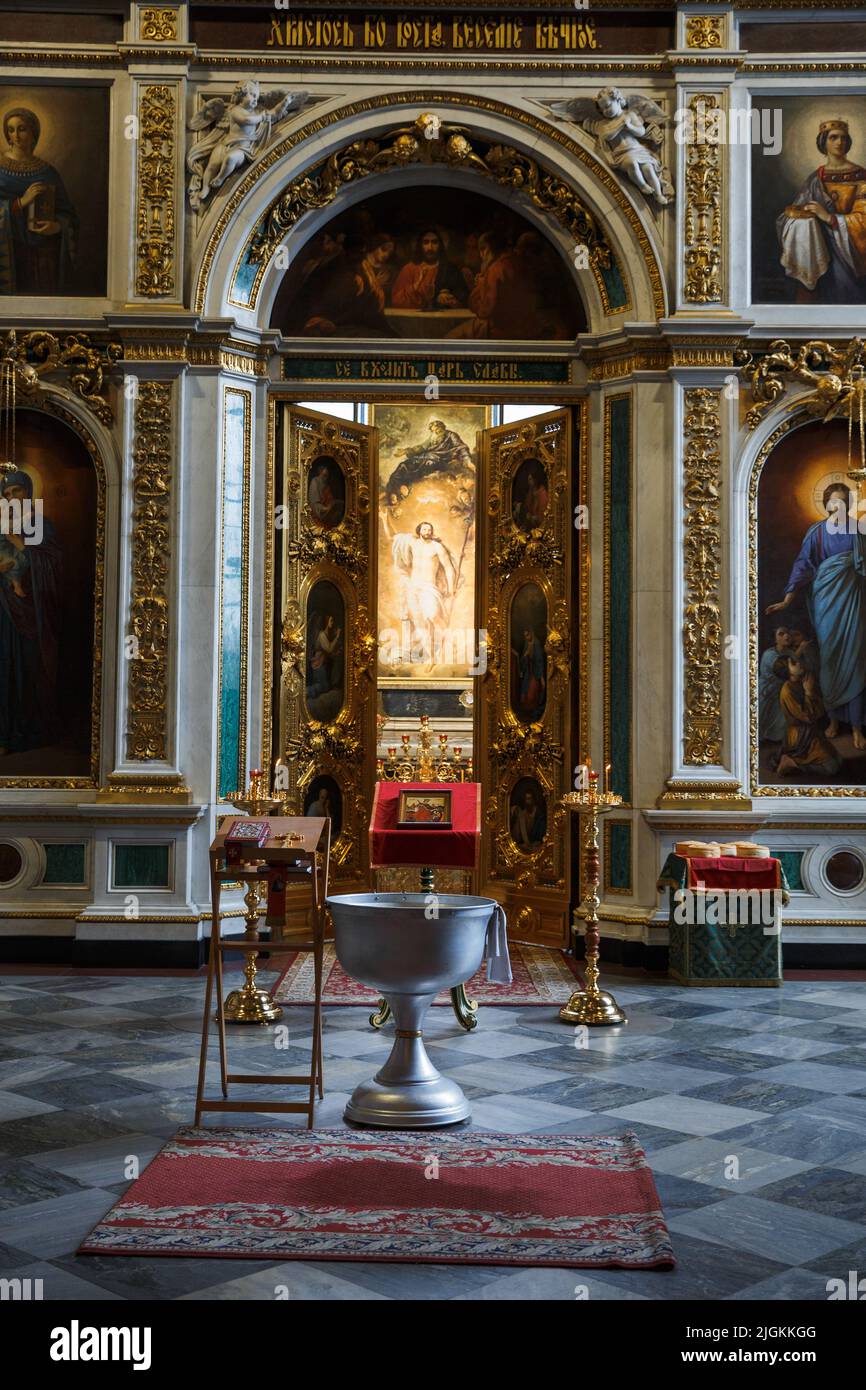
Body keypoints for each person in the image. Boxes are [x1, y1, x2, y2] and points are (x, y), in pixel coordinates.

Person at [766, 482, 866, 750]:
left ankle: (856, 727)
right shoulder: (817, 533)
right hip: (826, 603)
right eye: (833, 502)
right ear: (826, 503)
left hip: (853, 603)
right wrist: (788, 599)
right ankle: (833, 720)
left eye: (843, 502)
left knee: (855, 661)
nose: (838, 507)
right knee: (829, 660)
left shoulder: (858, 531)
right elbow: (803, 564)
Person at [0, 469, 63, 755]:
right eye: (7, 494)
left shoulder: (42, 526)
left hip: (31, 614)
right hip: (3, 610)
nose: (12, 498)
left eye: (17, 492)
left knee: (26, 668)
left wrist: (19, 543)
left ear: (28, 493)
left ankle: (26, 731)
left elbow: (53, 565)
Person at [776, 119, 866, 303]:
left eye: (843, 138)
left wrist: (830, 218)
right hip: (816, 249)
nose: (839, 142)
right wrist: (799, 219)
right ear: (823, 142)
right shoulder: (816, 178)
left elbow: (863, 220)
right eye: (833, 138)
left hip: (848, 253)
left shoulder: (861, 176)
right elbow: (794, 212)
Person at [0, 107, 77, 295]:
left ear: (33, 132)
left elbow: (68, 215)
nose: (16, 135)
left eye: (22, 129)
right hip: (8, 256)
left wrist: (57, 227)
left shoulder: (48, 172)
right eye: (11, 130)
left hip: (43, 258)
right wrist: (20, 203)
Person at [384, 519, 457, 666]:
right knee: (419, 625)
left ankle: (450, 641)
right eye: (424, 529)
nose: (427, 532)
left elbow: (449, 567)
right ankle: (431, 657)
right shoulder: (413, 543)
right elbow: (394, 536)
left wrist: (451, 588)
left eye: (429, 529)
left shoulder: (437, 547)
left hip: (429, 587)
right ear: (419, 531)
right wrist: (384, 519)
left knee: (433, 615)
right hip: (414, 587)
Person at [772, 654, 842, 777]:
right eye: (793, 663)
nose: (798, 663)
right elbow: (808, 717)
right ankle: (791, 762)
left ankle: (792, 761)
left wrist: (810, 691)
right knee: (832, 768)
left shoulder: (802, 681)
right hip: (800, 736)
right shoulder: (787, 691)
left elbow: (820, 710)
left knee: (838, 761)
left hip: (812, 732)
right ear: (787, 671)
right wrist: (809, 692)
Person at [384, 418, 473, 498]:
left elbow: (461, 447)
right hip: (429, 456)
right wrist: (406, 451)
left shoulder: (451, 435)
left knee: (425, 465)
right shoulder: (433, 437)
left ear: (443, 428)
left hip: (441, 459)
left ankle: (405, 484)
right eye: (434, 431)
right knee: (406, 464)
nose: (436, 432)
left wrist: (467, 459)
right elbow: (422, 447)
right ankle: (395, 485)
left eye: (438, 430)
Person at [390, 228, 467, 310]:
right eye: (426, 242)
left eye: (434, 242)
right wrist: (415, 287)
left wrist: (450, 297)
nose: (430, 247)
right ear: (420, 245)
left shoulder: (450, 269)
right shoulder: (409, 269)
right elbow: (396, 300)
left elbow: (463, 297)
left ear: (440, 245)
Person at [758, 626, 792, 743]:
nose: (786, 636)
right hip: (767, 690)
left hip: (782, 690)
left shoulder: (790, 653)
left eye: (787, 633)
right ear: (775, 639)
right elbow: (783, 670)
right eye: (781, 634)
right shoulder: (769, 654)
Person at [515, 626, 546, 722]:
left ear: (531, 633)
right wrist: (525, 656)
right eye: (525, 636)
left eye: (527, 635)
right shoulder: (526, 644)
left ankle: (534, 713)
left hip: (534, 673)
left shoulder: (537, 644)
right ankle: (527, 714)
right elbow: (523, 660)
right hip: (527, 674)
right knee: (525, 695)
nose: (527, 637)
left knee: (532, 694)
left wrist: (540, 677)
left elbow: (539, 661)